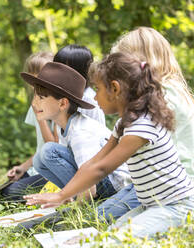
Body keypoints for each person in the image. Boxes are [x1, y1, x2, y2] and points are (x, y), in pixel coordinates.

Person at [25, 52, 194, 239]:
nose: (95, 98)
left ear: (115, 89)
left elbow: (101, 168)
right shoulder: (123, 124)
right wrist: (64, 195)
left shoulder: (141, 127)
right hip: (150, 203)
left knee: (116, 239)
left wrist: (61, 195)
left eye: (97, 89)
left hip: (177, 206)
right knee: (106, 232)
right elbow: (93, 163)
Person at [97, 26, 194, 223]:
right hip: (155, 181)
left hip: (174, 185)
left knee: (103, 216)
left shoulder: (164, 95)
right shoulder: (168, 88)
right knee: (102, 214)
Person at [22, 61, 129, 203]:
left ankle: (88, 202)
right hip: (98, 180)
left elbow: (91, 184)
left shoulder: (80, 133)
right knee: (38, 160)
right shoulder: (64, 126)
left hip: (114, 185)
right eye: (35, 97)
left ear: (63, 104)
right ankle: (74, 197)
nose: (34, 104)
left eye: (41, 98)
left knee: (49, 151)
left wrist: (76, 210)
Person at [2, 52, 54, 200]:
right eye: (33, 81)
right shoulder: (36, 103)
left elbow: (52, 147)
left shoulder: (57, 104)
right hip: (40, 166)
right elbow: (42, 148)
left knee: (12, 193)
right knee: (9, 185)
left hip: (55, 170)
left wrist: (41, 117)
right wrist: (23, 167)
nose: (37, 86)